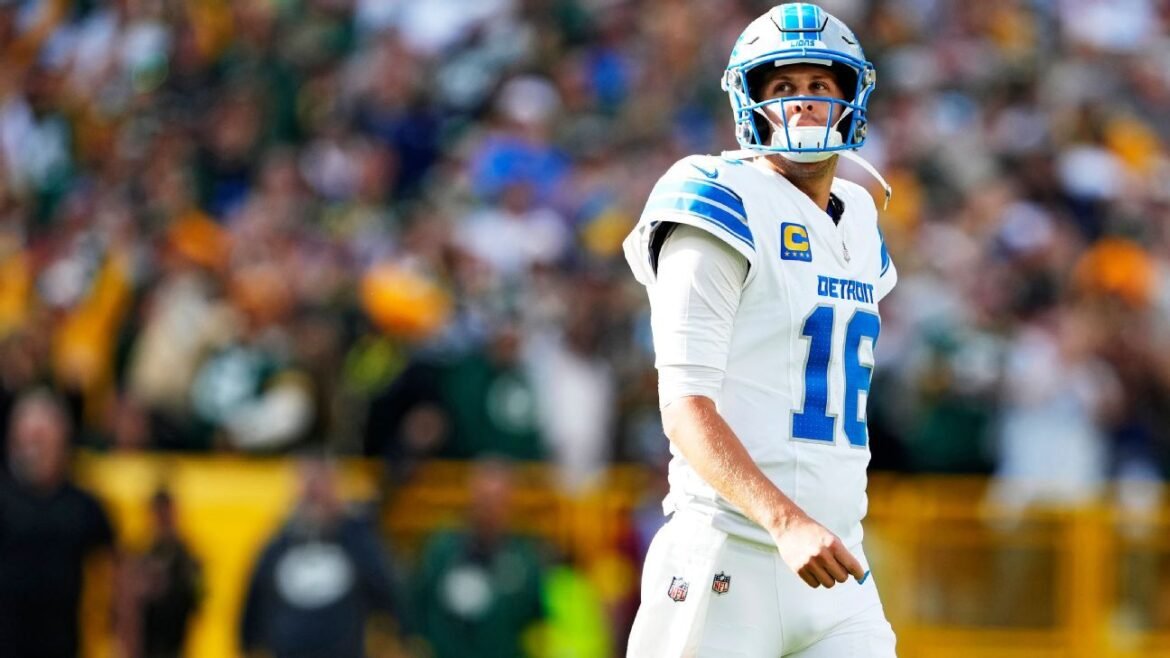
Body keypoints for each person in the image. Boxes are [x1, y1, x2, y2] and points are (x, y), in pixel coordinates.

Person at [621, 4, 898, 656]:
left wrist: (810, 525)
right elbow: (684, 406)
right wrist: (785, 520)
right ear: (750, 101)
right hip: (729, 554)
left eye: (819, 84)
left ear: (851, 98)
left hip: (836, 562)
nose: (801, 101)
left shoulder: (860, 216)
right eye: (782, 85)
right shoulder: (715, 194)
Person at [240, 455, 404, 658]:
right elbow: (254, 600)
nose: (314, 491)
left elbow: (386, 588)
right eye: (308, 482)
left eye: (321, 481)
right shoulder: (280, 542)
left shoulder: (356, 538)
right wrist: (249, 642)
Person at [0, 389, 117, 658]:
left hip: (62, 645)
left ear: (63, 439)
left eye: (41, 437)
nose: (33, 448)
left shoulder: (82, 505)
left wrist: (120, 635)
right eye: (27, 437)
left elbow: (115, 568)